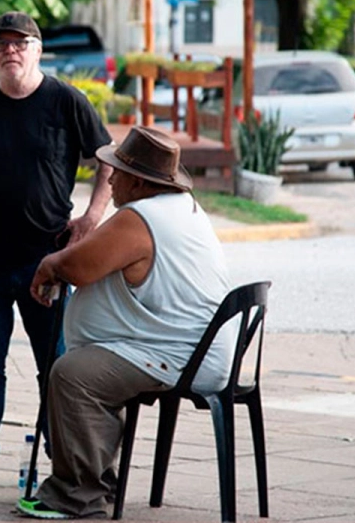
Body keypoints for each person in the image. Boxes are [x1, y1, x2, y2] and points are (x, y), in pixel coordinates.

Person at [0, 11, 113, 491]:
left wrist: (92, 216)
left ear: (37, 49)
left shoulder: (67, 101)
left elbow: (108, 161)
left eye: (20, 43)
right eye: (1, 45)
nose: (10, 51)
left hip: (47, 259)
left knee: (54, 363)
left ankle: (60, 459)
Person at [18, 127, 232, 519]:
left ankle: (76, 495)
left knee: (73, 375)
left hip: (179, 355)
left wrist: (49, 264)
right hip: (187, 348)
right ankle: (99, 483)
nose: (111, 179)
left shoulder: (141, 217)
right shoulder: (180, 208)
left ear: (137, 181)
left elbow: (78, 268)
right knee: (93, 370)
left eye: (117, 172)